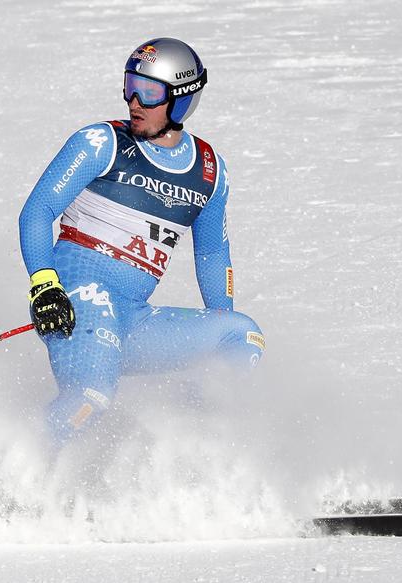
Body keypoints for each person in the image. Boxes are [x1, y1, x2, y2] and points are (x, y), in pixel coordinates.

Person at [18, 37, 265, 444]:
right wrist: (45, 285)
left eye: (149, 92)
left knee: (241, 337)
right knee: (91, 398)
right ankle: (11, 478)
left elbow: (213, 252)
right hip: (79, 301)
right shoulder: (101, 143)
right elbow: (38, 211)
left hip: (134, 319)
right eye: (130, 86)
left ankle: (178, 457)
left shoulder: (209, 171)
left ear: (181, 100)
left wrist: (218, 327)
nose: (134, 101)